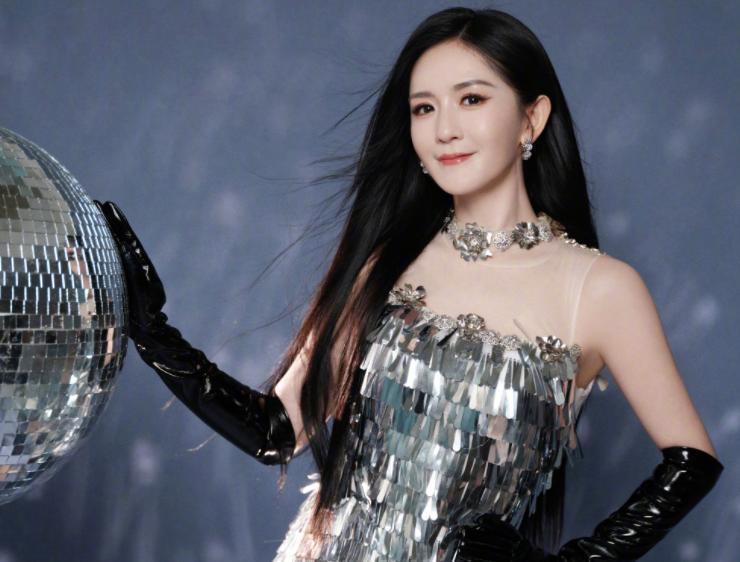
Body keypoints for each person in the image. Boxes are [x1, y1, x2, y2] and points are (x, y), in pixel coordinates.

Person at [95, 6, 724, 561]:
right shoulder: (388, 263)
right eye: (424, 108)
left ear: (531, 118)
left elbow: (692, 459)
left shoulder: (601, 289)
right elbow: (277, 430)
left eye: (471, 99)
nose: (444, 128)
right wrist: (154, 333)